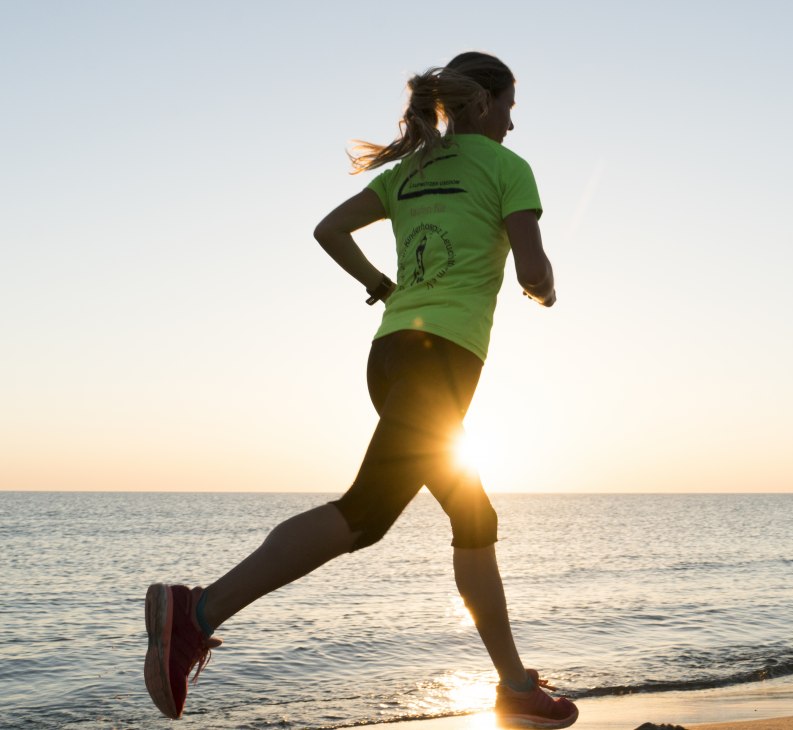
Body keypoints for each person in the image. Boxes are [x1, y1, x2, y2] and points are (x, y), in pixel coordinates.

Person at [143, 51, 578, 729]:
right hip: (442, 364)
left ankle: (515, 686)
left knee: (474, 519)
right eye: (511, 107)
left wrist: (380, 285)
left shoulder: (410, 171)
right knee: (367, 513)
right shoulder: (508, 168)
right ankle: (197, 611)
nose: (513, 124)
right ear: (486, 102)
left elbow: (329, 230)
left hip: (390, 355)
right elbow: (532, 268)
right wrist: (544, 289)